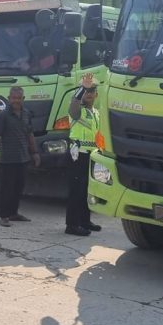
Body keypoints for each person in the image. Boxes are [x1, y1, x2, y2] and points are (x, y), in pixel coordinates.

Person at [0, 86, 40, 227]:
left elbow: (30, 134)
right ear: (9, 98)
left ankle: (14, 213)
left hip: (23, 158)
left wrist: (34, 153)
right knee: (6, 189)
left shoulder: (26, 114)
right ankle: (4, 216)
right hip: (8, 159)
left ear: (23, 99)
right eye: (13, 98)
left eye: (19, 98)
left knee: (18, 187)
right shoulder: (3, 116)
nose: (16, 100)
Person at [65, 72, 102, 236]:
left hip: (91, 155)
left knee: (87, 189)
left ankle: (84, 221)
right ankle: (72, 225)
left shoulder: (96, 113)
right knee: (76, 189)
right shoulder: (77, 111)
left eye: (91, 91)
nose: (89, 94)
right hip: (77, 155)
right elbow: (73, 105)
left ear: (96, 94)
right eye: (87, 91)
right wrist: (82, 88)